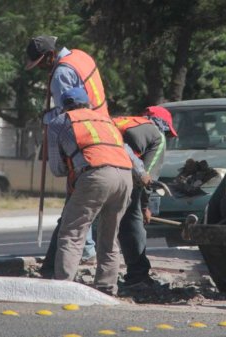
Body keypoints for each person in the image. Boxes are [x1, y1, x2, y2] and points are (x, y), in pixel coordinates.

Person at [46, 87, 141, 295]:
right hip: (125, 176)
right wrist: (142, 175)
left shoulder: (59, 122)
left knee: (72, 233)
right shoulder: (106, 120)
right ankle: (107, 287)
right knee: (109, 236)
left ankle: (63, 286)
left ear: (64, 107)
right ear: (88, 104)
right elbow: (129, 154)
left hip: (96, 175)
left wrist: (72, 163)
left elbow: (57, 169)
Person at [26, 35, 108, 265]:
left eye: (42, 62)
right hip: (101, 126)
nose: (42, 68)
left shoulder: (61, 74)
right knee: (92, 200)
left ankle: (85, 251)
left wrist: (46, 118)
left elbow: (67, 113)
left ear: (51, 55)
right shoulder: (80, 56)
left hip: (83, 135)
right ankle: (90, 249)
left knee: (77, 194)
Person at [111, 105, 178, 288]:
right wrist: (144, 207)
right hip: (122, 173)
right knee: (132, 220)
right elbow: (146, 179)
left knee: (75, 222)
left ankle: (52, 268)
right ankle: (137, 275)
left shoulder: (123, 122)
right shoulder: (157, 135)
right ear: (164, 125)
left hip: (91, 169)